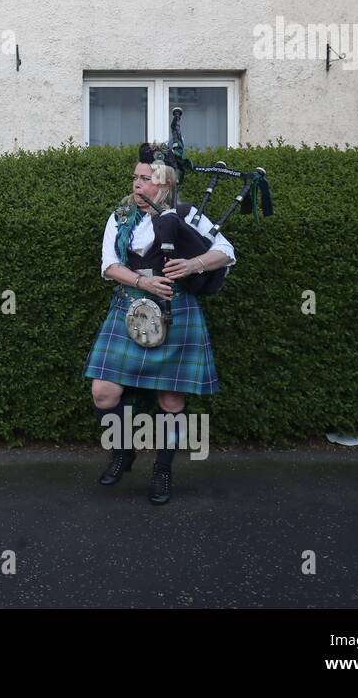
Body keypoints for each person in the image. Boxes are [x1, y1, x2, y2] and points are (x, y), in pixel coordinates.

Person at [83, 144, 235, 504]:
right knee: (103, 393)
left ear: (163, 184)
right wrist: (142, 282)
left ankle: (163, 471)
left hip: (176, 308)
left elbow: (226, 252)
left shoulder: (186, 213)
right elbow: (109, 266)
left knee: (169, 400)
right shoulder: (120, 217)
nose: (136, 184)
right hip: (130, 306)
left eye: (145, 178)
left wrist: (193, 265)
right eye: (134, 177)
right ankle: (124, 450)